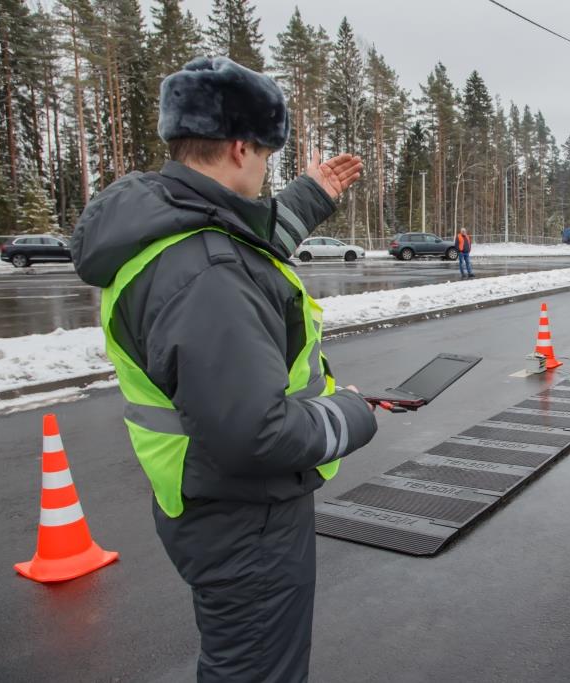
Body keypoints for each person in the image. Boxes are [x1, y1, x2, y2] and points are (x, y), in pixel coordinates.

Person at [70, 57, 378, 682]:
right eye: (266, 155)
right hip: (245, 515)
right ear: (241, 147)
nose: (266, 171)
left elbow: (245, 241)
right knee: (256, 671)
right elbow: (255, 432)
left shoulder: (169, 224)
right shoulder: (206, 273)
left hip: (211, 501)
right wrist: (352, 415)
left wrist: (310, 194)